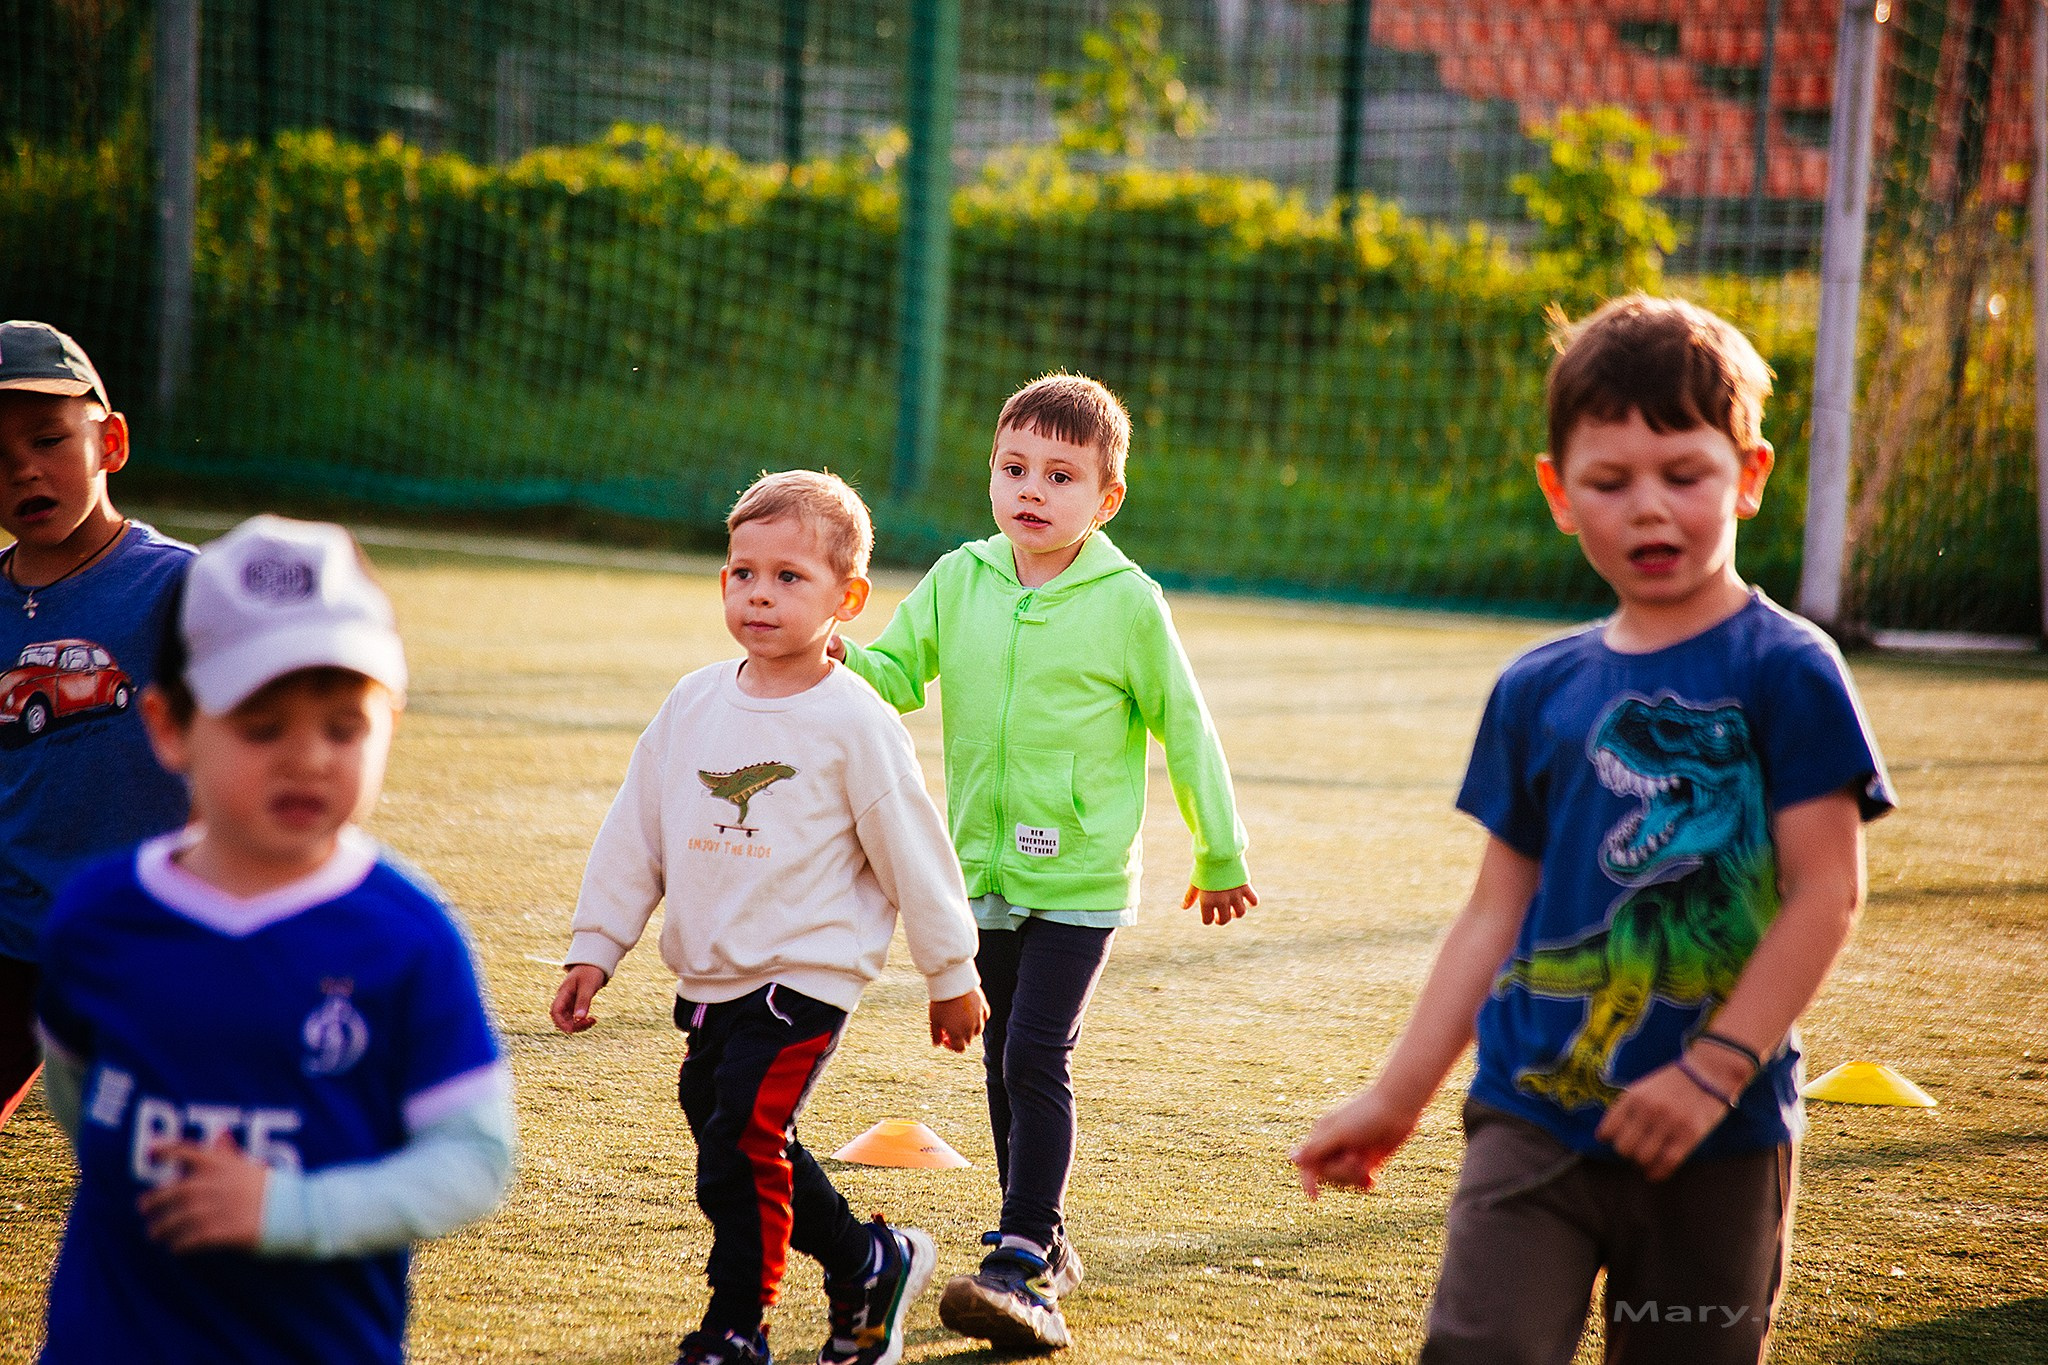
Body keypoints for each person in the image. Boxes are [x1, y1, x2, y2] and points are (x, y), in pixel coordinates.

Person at [1293, 295, 1894, 1365]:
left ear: (1747, 476)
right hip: (1528, 1122)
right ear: (1557, 493)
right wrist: (1396, 1096)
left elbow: (1825, 893)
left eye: (1683, 475)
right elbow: (1494, 913)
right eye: (1609, 483)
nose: (1647, 509)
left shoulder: (1788, 670)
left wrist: (1710, 1070)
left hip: (1721, 1138)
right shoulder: (1535, 688)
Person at [829, 373, 1257, 1351]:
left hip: (1080, 882)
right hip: (979, 871)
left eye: (1060, 476)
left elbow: (1183, 731)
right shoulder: (959, 579)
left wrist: (1219, 849)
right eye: (1013, 468)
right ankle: (1046, 1241)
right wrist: (834, 652)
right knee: (998, 1056)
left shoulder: (1127, 603)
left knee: (1033, 1050)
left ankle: (1021, 1252)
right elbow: (896, 674)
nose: (1031, 489)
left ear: (1104, 500)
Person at [34, 514, 516, 1362]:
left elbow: (473, 1157)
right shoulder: (98, 917)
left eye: (344, 725)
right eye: (262, 725)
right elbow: (80, 1094)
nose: (309, 758)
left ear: (391, 725)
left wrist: (288, 1210)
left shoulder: (407, 934)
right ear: (170, 726)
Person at [550, 470, 988, 1365]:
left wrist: (952, 974)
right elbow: (636, 831)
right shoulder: (693, 703)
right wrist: (596, 948)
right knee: (732, 1130)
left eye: (790, 577)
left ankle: (736, 1327)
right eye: (743, 571)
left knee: (741, 1137)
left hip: (806, 975)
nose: (760, 592)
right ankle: (871, 1260)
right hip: (712, 973)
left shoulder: (856, 721)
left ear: (847, 597)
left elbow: (917, 851)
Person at [0, 320, 194, 1132]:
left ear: (110, 440)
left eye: (49, 438)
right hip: (11, 935)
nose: (23, 470)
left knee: (160, 1148)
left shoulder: (176, 586)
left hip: (141, 933)